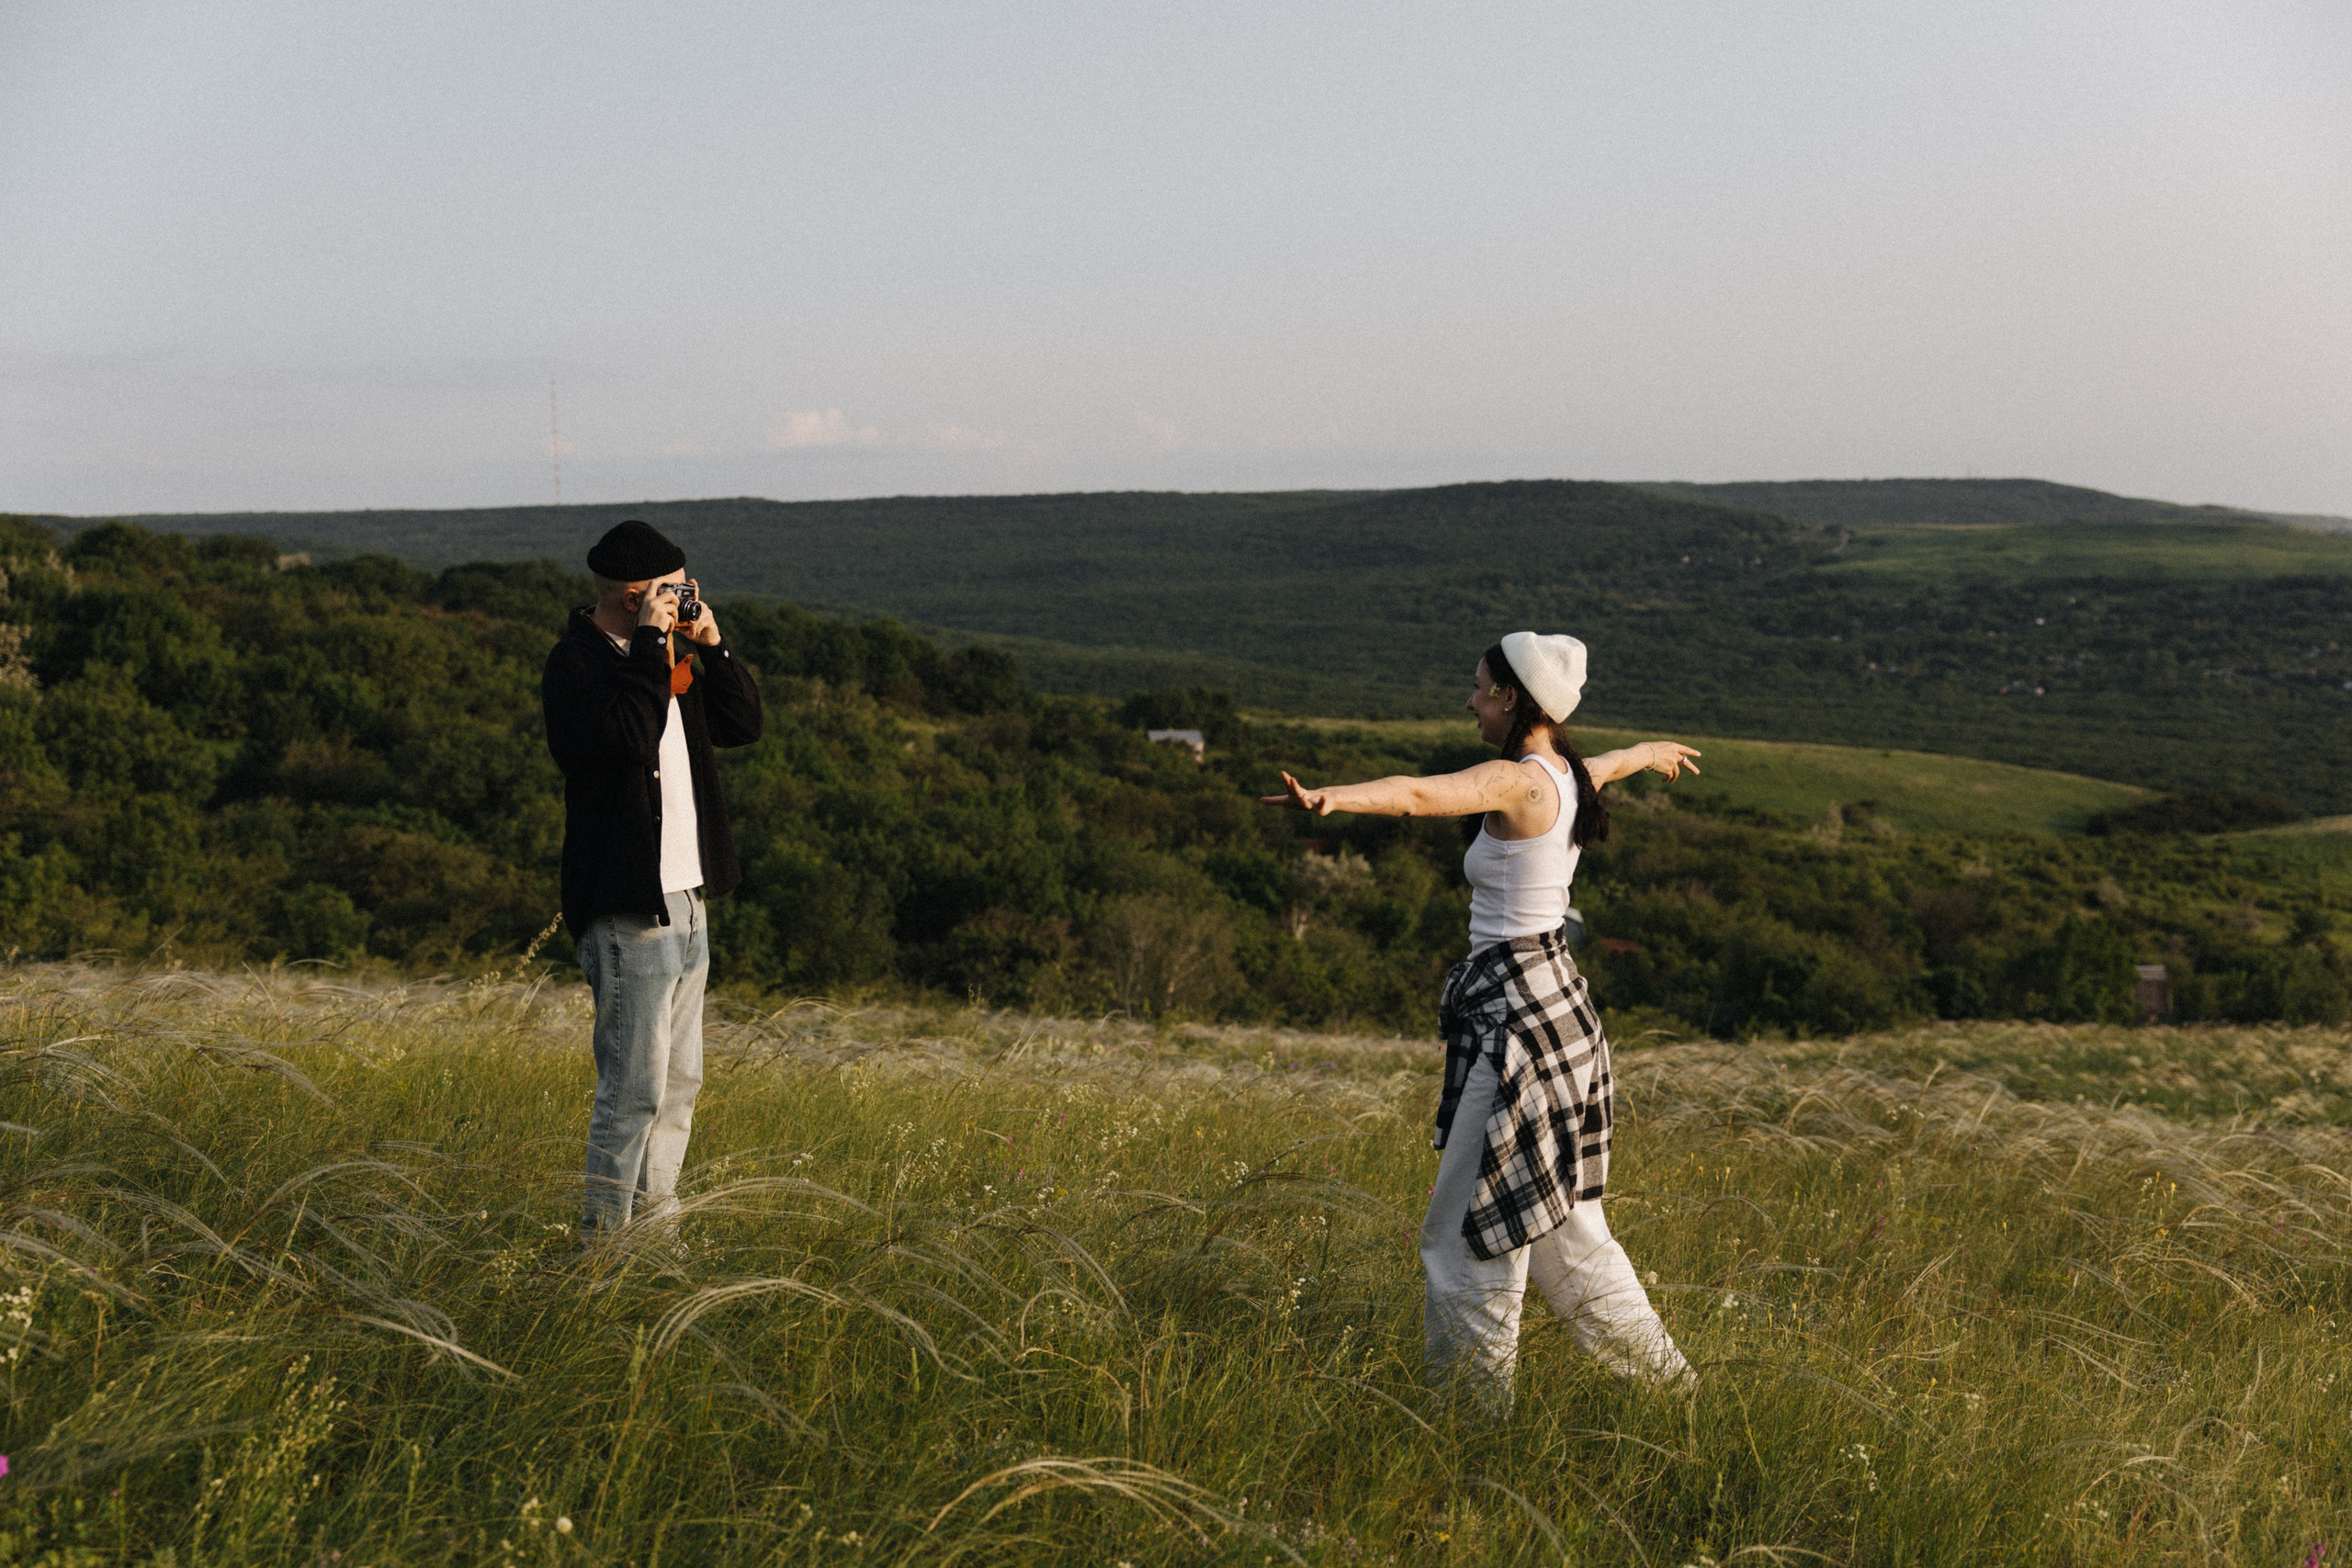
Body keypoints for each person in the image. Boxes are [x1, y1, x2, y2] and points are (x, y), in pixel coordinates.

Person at [1261, 631, 1699, 1404]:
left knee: (1466, 1231)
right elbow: (1607, 766)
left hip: (1518, 1025)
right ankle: (1676, 1396)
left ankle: (1471, 1421)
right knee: (1570, 1238)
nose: (1468, 700)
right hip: (1559, 1009)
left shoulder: (1516, 779)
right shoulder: (1565, 776)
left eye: (1477, 688)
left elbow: (1421, 794)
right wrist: (1647, 749)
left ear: (1509, 697)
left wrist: (1332, 798)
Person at [542, 520, 763, 1238]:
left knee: (678, 1087)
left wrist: (714, 647)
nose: (685, 599)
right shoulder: (576, 664)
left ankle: (655, 1240)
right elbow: (627, 739)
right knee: (632, 1093)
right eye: (673, 592)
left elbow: (743, 724)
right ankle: (603, 1249)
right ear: (636, 595)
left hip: (688, 898)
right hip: (627, 906)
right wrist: (646, 642)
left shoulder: (668, 651)